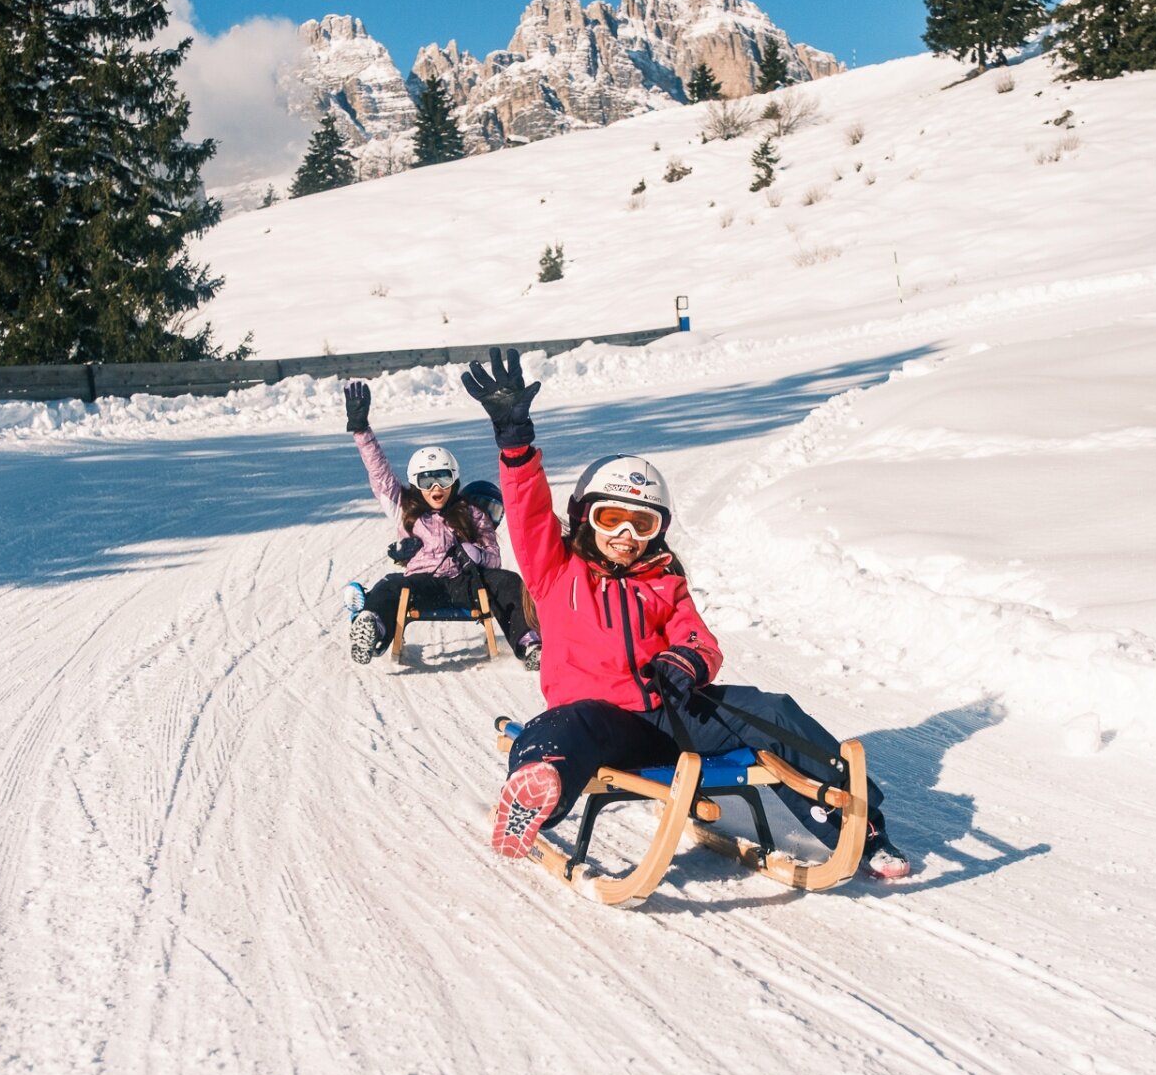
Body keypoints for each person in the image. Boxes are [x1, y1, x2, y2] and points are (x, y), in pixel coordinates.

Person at [460, 348, 911, 880]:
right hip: (604, 722)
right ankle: (534, 798)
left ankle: (860, 827)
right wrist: (515, 446)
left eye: (642, 525)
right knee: (562, 728)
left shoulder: (663, 580)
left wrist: (685, 663)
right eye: (612, 519)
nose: (626, 536)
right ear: (585, 519)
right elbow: (528, 513)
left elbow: (700, 640)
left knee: (775, 711)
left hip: (673, 715)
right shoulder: (555, 571)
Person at [344, 379, 541, 668]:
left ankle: (530, 643)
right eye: (427, 480)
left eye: (444, 478)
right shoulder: (406, 510)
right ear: (415, 484)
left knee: (509, 581)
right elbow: (380, 475)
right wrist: (362, 430)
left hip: (466, 583)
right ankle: (372, 627)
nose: (436, 486)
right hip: (422, 585)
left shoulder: (470, 512)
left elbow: (494, 557)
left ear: (455, 480)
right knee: (390, 585)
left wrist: (476, 554)